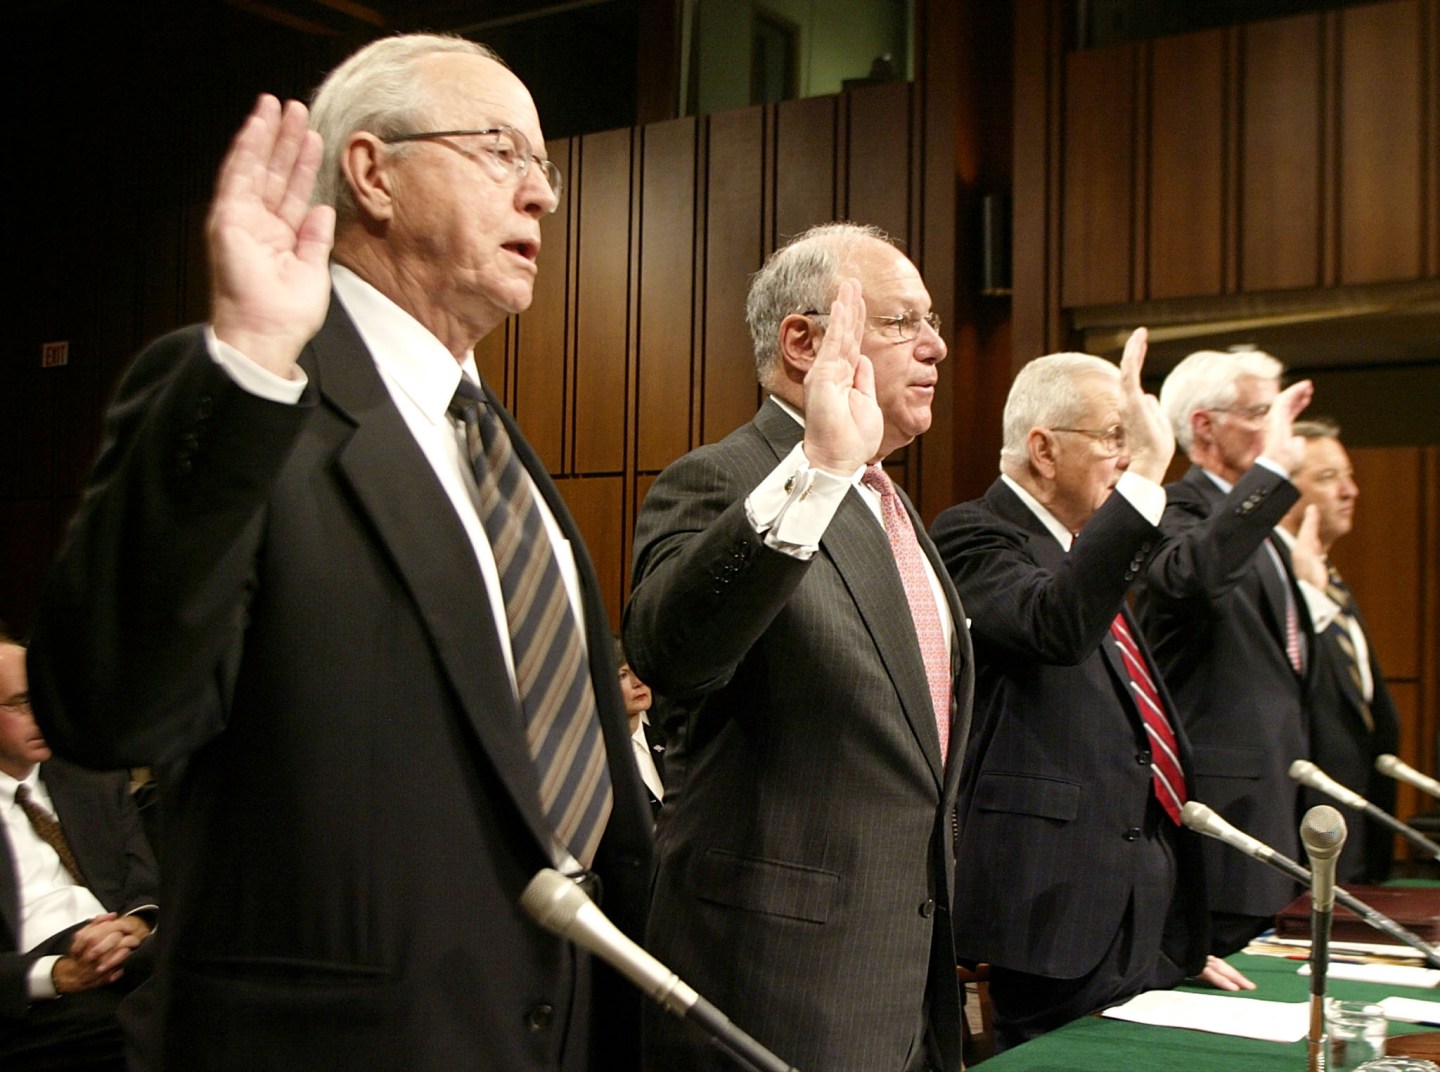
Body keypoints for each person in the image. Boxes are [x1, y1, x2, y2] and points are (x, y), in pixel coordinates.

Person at [26, 33, 651, 1072]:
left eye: (545, 168)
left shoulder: (505, 455)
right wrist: (248, 365)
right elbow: (107, 706)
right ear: (372, 173)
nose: (540, 196)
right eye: (502, 153)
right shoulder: (245, 397)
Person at [624, 222, 974, 1072]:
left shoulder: (894, 510)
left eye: (931, 323)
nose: (935, 347)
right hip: (776, 992)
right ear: (802, 341)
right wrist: (816, 465)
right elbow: (670, 652)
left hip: (906, 990)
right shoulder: (723, 479)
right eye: (902, 323)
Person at [930, 333, 1254, 1049]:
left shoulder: (1085, 553)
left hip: (1140, 916)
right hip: (1053, 919)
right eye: (1115, 436)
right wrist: (1148, 481)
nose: (1129, 456)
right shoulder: (972, 535)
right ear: (1044, 450)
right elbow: (1056, 625)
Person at [1135, 347, 1314, 956]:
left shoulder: (1259, 528)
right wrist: (1273, 475)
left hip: (1277, 813)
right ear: (1206, 425)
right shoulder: (1172, 510)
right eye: (1262, 412)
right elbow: (1191, 579)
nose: (1277, 430)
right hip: (1222, 826)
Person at [1, 631, 159, 1072]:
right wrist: (55, 974)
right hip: (35, 989)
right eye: (22, 703)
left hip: (119, 950)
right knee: (155, 1023)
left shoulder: (87, 776)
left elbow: (143, 876)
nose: (45, 716)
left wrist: (134, 923)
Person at [1279, 419, 1400, 883]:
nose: (1349, 491)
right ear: (1282, 490)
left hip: (1359, 830)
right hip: (1306, 838)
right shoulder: (1271, 580)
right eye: (1327, 478)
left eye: (1348, 475)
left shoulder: (1329, 576)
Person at [614, 637, 665, 820]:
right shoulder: (595, 758)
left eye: (639, 669)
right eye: (623, 674)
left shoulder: (670, 739)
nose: (638, 682)